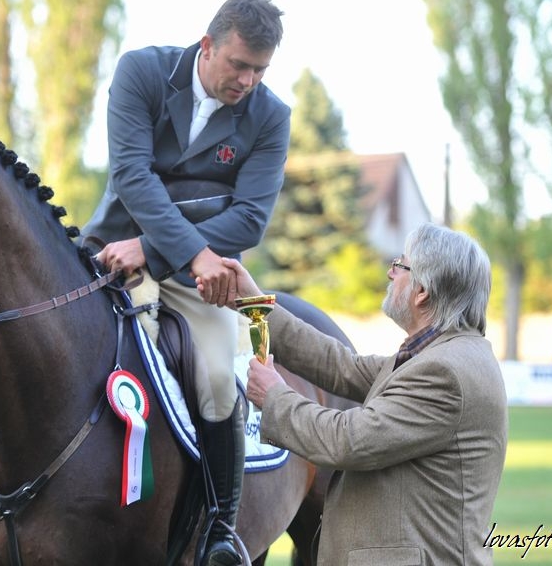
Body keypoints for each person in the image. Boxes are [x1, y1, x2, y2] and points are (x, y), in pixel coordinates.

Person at [84, 0, 289, 565]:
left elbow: (249, 217)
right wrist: (180, 246)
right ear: (208, 46)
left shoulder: (271, 117)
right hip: (109, 255)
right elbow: (132, 174)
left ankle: (221, 528)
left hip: (202, 280)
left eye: (260, 70)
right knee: (32, 334)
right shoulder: (142, 73)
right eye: (239, 65)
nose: (247, 80)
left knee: (222, 379)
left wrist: (160, 250)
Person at [204, 222, 508, 566]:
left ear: (422, 291)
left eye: (401, 265)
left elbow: (347, 441)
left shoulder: (444, 372)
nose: (391, 273)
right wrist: (253, 303)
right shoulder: (443, 354)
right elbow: (340, 365)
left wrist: (274, 395)